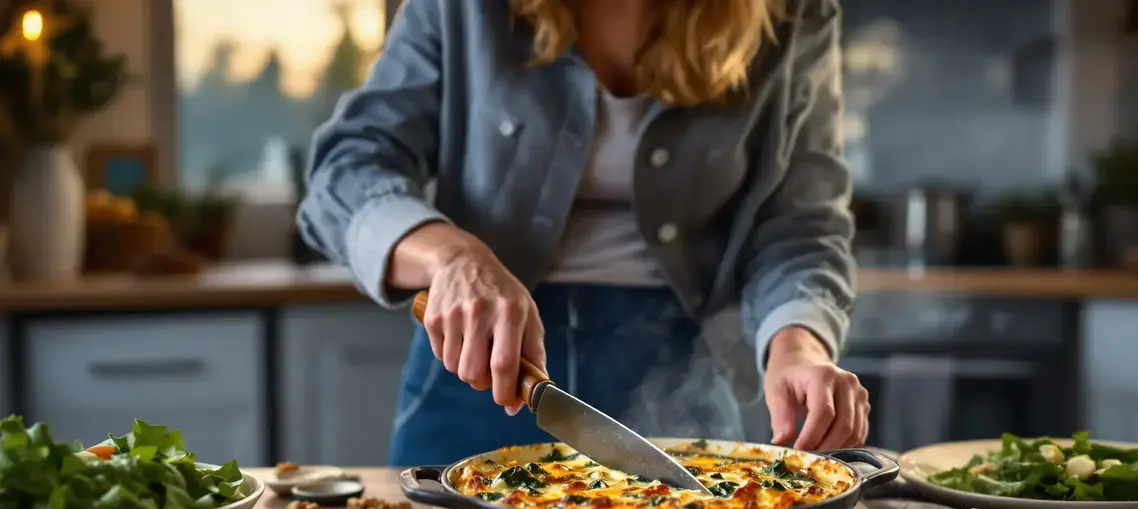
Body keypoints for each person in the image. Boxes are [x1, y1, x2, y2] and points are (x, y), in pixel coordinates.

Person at [297, 0, 869, 467]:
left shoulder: (792, 14)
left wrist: (798, 344)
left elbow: (800, 221)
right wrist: (453, 257)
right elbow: (344, 173)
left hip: (676, 371)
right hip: (480, 363)